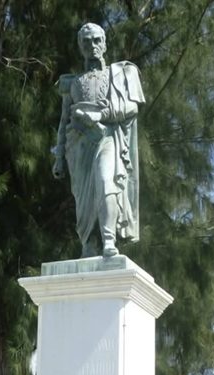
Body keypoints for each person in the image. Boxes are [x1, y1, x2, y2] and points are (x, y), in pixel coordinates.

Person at [52, 22, 144, 258]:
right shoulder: (71, 82)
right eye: (86, 42)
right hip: (77, 144)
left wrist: (100, 115)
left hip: (107, 136)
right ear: (80, 47)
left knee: (106, 182)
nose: (91, 46)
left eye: (96, 40)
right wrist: (59, 156)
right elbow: (64, 121)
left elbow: (132, 107)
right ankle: (88, 243)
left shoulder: (120, 73)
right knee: (83, 199)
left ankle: (109, 240)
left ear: (104, 43)